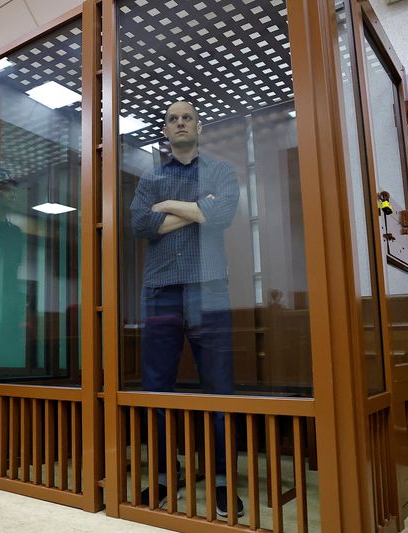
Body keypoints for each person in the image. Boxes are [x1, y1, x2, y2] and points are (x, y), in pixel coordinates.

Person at [130, 101, 243, 517]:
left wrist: (166, 207)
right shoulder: (152, 174)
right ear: (165, 130)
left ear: (199, 126)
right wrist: (196, 210)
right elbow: (140, 225)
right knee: (157, 389)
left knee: (219, 390)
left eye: (187, 117)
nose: (180, 123)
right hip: (161, 290)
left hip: (209, 287)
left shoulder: (220, 171)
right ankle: (162, 478)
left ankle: (221, 481)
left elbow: (224, 214)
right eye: (173, 119)